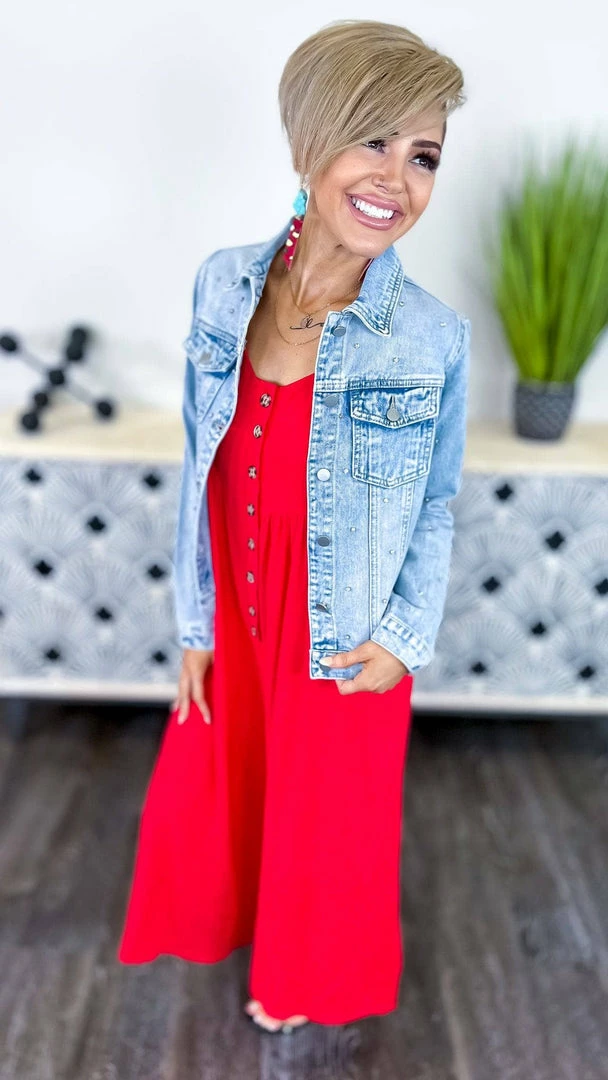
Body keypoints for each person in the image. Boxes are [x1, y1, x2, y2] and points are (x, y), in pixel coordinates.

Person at [117, 18, 471, 1036]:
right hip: (237, 600)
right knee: (225, 789)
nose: (395, 179)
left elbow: (437, 501)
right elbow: (201, 461)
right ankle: (238, 929)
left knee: (329, 818)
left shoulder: (431, 338)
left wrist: (402, 639)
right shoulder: (223, 284)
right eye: (373, 139)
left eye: (423, 156)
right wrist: (195, 623)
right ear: (309, 139)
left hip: (342, 623)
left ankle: (306, 979)